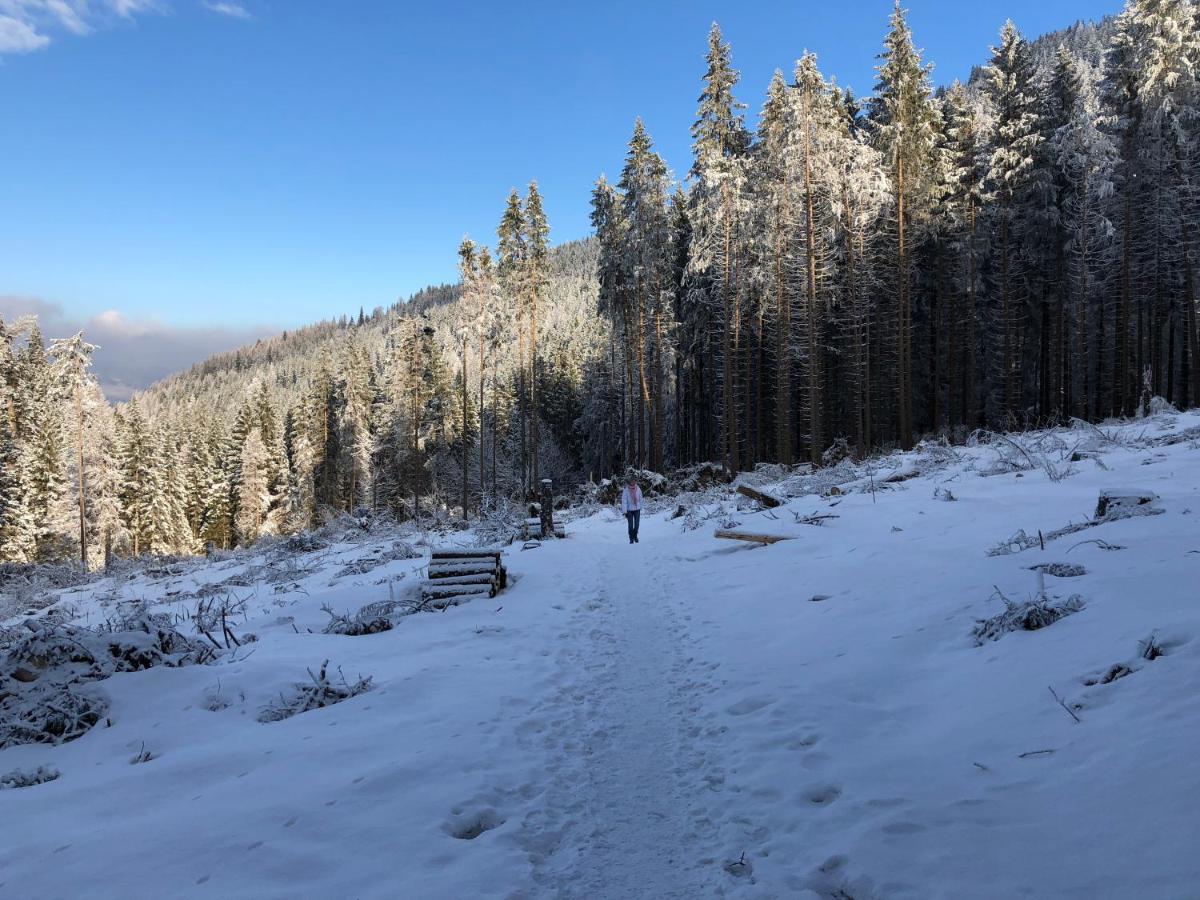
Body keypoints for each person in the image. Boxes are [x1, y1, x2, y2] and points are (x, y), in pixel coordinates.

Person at [619, 475, 642, 544]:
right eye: (632, 481)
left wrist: (641, 506)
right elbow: (624, 501)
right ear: (629, 482)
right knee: (630, 525)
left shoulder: (638, 489)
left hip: (637, 509)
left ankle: (635, 535)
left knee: (637, 524)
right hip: (629, 510)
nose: (633, 482)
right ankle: (631, 538)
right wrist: (625, 512)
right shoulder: (626, 490)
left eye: (634, 481)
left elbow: (641, 498)